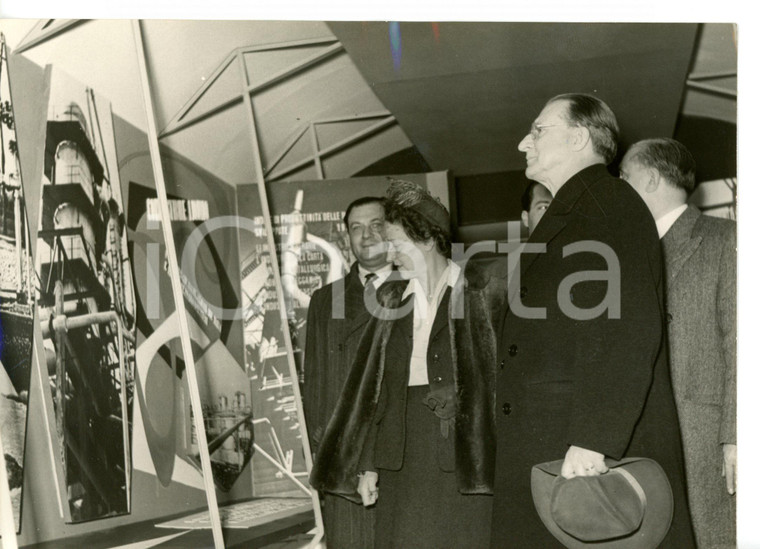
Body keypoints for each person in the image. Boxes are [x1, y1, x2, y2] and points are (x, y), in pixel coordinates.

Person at [491, 93, 695, 547]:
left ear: (579, 136)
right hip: (553, 439)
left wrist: (593, 437)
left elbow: (626, 329)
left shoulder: (608, 207)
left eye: (538, 130)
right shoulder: (577, 210)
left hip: (576, 448)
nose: (525, 143)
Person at [310, 180, 505, 549]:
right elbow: (375, 390)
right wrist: (367, 464)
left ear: (428, 241)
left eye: (398, 244)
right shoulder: (390, 300)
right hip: (400, 457)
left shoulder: (481, 291)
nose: (391, 253)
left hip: (464, 452)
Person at [620, 138, 736, 548]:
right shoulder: (627, 255)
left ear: (650, 180)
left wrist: (736, 435)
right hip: (644, 440)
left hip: (703, 436)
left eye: (624, 178)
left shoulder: (726, 239)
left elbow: (740, 341)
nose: (618, 189)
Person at [303, 196, 392, 548]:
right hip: (343, 463)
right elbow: (316, 387)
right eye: (356, 228)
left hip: (392, 458)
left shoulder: (413, 290)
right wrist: (325, 459)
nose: (366, 235)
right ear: (347, 238)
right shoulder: (326, 300)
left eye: (376, 225)